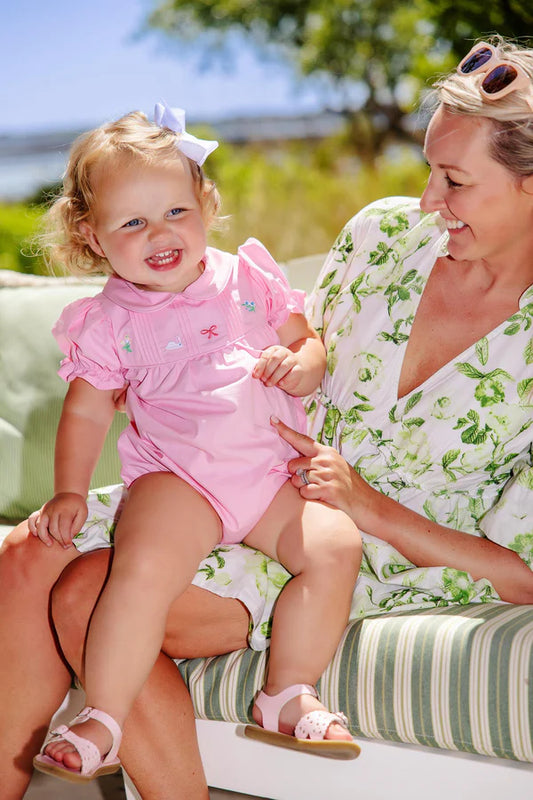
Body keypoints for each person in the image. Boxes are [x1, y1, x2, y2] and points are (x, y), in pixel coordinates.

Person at [2, 33, 533, 800]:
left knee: (87, 591)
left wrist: (366, 506)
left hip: (366, 549)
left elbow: (522, 575)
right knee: (24, 555)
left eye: (452, 180)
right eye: (427, 170)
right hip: (247, 477)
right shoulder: (386, 236)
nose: (424, 201)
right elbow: (274, 337)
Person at [26, 103, 361, 782]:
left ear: (204, 203)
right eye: (132, 222)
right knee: (144, 567)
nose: (160, 234)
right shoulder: (108, 320)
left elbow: (305, 339)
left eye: (175, 211)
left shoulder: (245, 277)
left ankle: (286, 693)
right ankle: (105, 717)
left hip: (267, 475)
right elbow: (87, 414)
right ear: (92, 236)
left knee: (335, 546)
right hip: (179, 478)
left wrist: (304, 363)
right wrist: (67, 489)